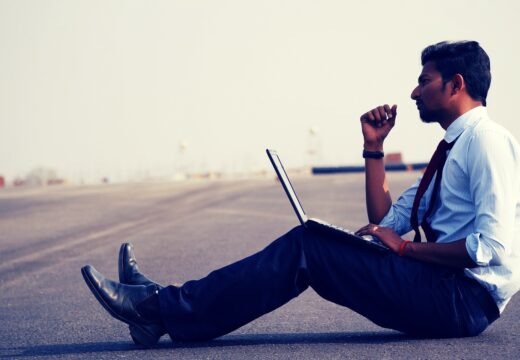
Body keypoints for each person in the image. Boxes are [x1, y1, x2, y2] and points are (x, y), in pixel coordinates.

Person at [81, 40, 520, 347]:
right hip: (442, 289)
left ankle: (157, 308)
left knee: (310, 247)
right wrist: (374, 147)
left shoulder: (485, 141)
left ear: (456, 84)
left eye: (424, 80)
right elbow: (387, 221)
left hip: (462, 301)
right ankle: (160, 306)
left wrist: (403, 249)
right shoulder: (454, 146)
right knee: (316, 240)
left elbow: (491, 248)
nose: (413, 91)